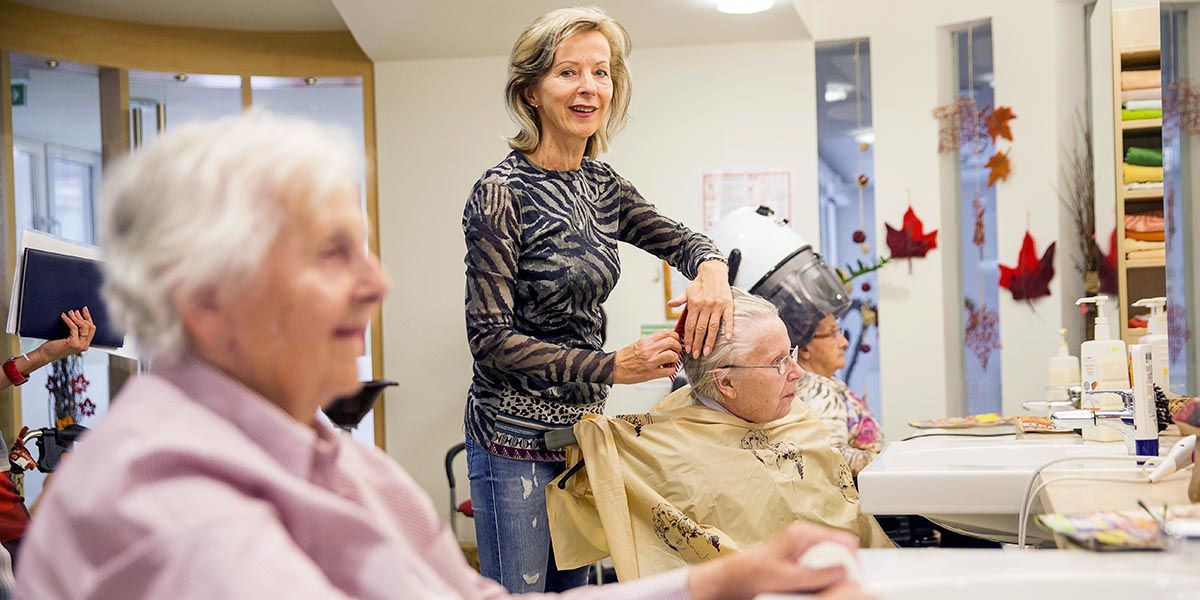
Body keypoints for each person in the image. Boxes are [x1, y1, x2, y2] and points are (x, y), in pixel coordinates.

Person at [13, 112, 869, 600]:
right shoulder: (176, 510)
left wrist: (716, 586)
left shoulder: (344, 465)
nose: (376, 283)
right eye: (328, 254)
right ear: (205, 299)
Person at [462, 6, 734, 592]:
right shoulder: (499, 193)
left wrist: (710, 267)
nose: (589, 87)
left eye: (602, 72)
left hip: (580, 438)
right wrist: (614, 367)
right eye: (568, 72)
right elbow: (488, 339)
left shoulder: (601, 186)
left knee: (580, 593)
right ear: (531, 90)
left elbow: (683, 240)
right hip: (512, 441)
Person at [546, 290, 889, 580]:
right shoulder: (672, 454)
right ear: (725, 383)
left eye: (792, 354)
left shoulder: (794, 414)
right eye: (779, 361)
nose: (797, 372)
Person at [790, 306, 882, 477]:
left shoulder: (825, 382)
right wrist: (886, 461)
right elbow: (832, 456)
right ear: (804, 349)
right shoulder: (818, 392)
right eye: (833, 334)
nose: (844, 342)